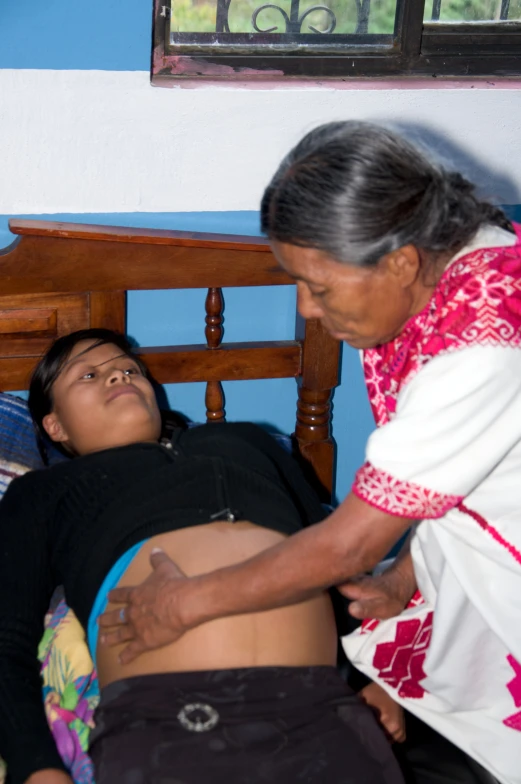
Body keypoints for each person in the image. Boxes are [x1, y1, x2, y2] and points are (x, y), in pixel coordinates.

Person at [100, 122, 521, 784]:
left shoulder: (482, 349)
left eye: (319, 287)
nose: (306, 309)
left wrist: (182, 605)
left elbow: (346, 546)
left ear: (401, 261)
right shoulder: (464, 248)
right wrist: (405, 577)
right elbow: (461, 468)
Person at [0, 327, 404, 784]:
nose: (118, 377)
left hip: (322, 710)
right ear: (55, 425)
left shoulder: (247, 442)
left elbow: (334, 560)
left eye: (129, 369)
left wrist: (377, 680)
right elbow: (7, 639)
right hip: (172, 718)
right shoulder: (41, 493)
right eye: (90, 375)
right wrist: (35, 766)